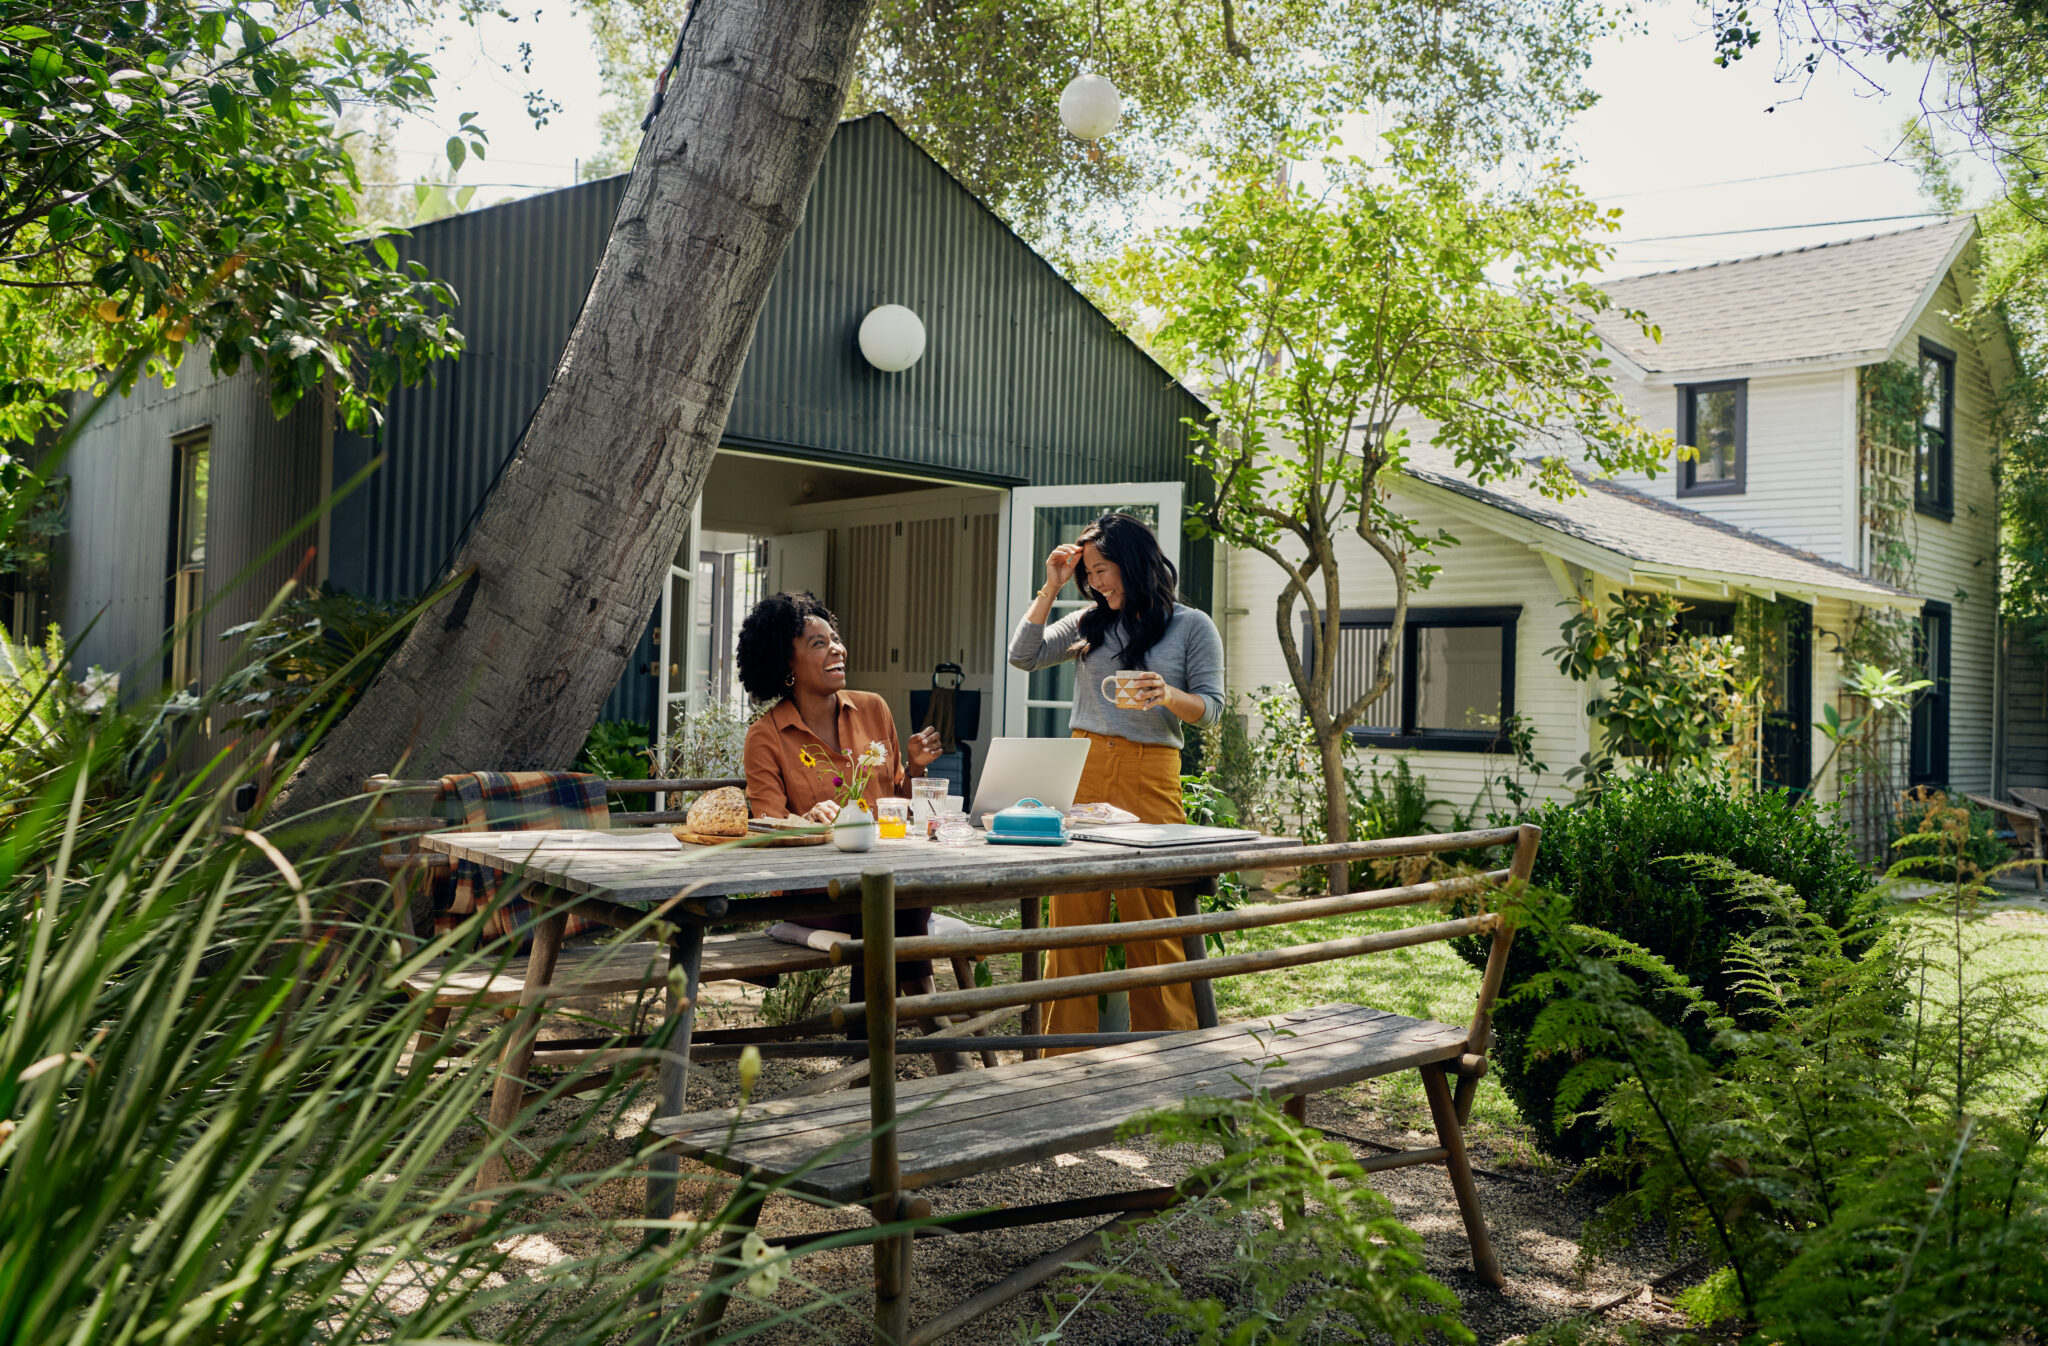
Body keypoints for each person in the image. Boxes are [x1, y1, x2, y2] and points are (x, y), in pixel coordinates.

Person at [1008, 512, 1226, 1045]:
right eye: (1090, 574)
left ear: (1134, 562)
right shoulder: (1087, 621)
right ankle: (1064, 1053)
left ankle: (1170, 1048)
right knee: (1074, 923)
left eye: (1104, 569)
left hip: (1149, 772)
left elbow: (1214, 709)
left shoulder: (1191, 625)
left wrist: (1167, 694)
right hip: (1083, 769)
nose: (1097, 582)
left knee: (1154, 921)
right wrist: (1052, 585)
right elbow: (1023, 656)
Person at [737, 590, 943, 993]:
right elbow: (766, 826)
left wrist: (916, 766)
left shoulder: (874, 709)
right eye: (820, 644)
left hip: (885, 877)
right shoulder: (766, 736)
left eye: (835, 640)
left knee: (892, 895)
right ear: (787, 664)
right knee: (895, 901)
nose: (838, 650)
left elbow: (895, 805)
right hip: (815, 893)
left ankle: (871, 1035)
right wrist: (805, 821)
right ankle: (933, 1025)